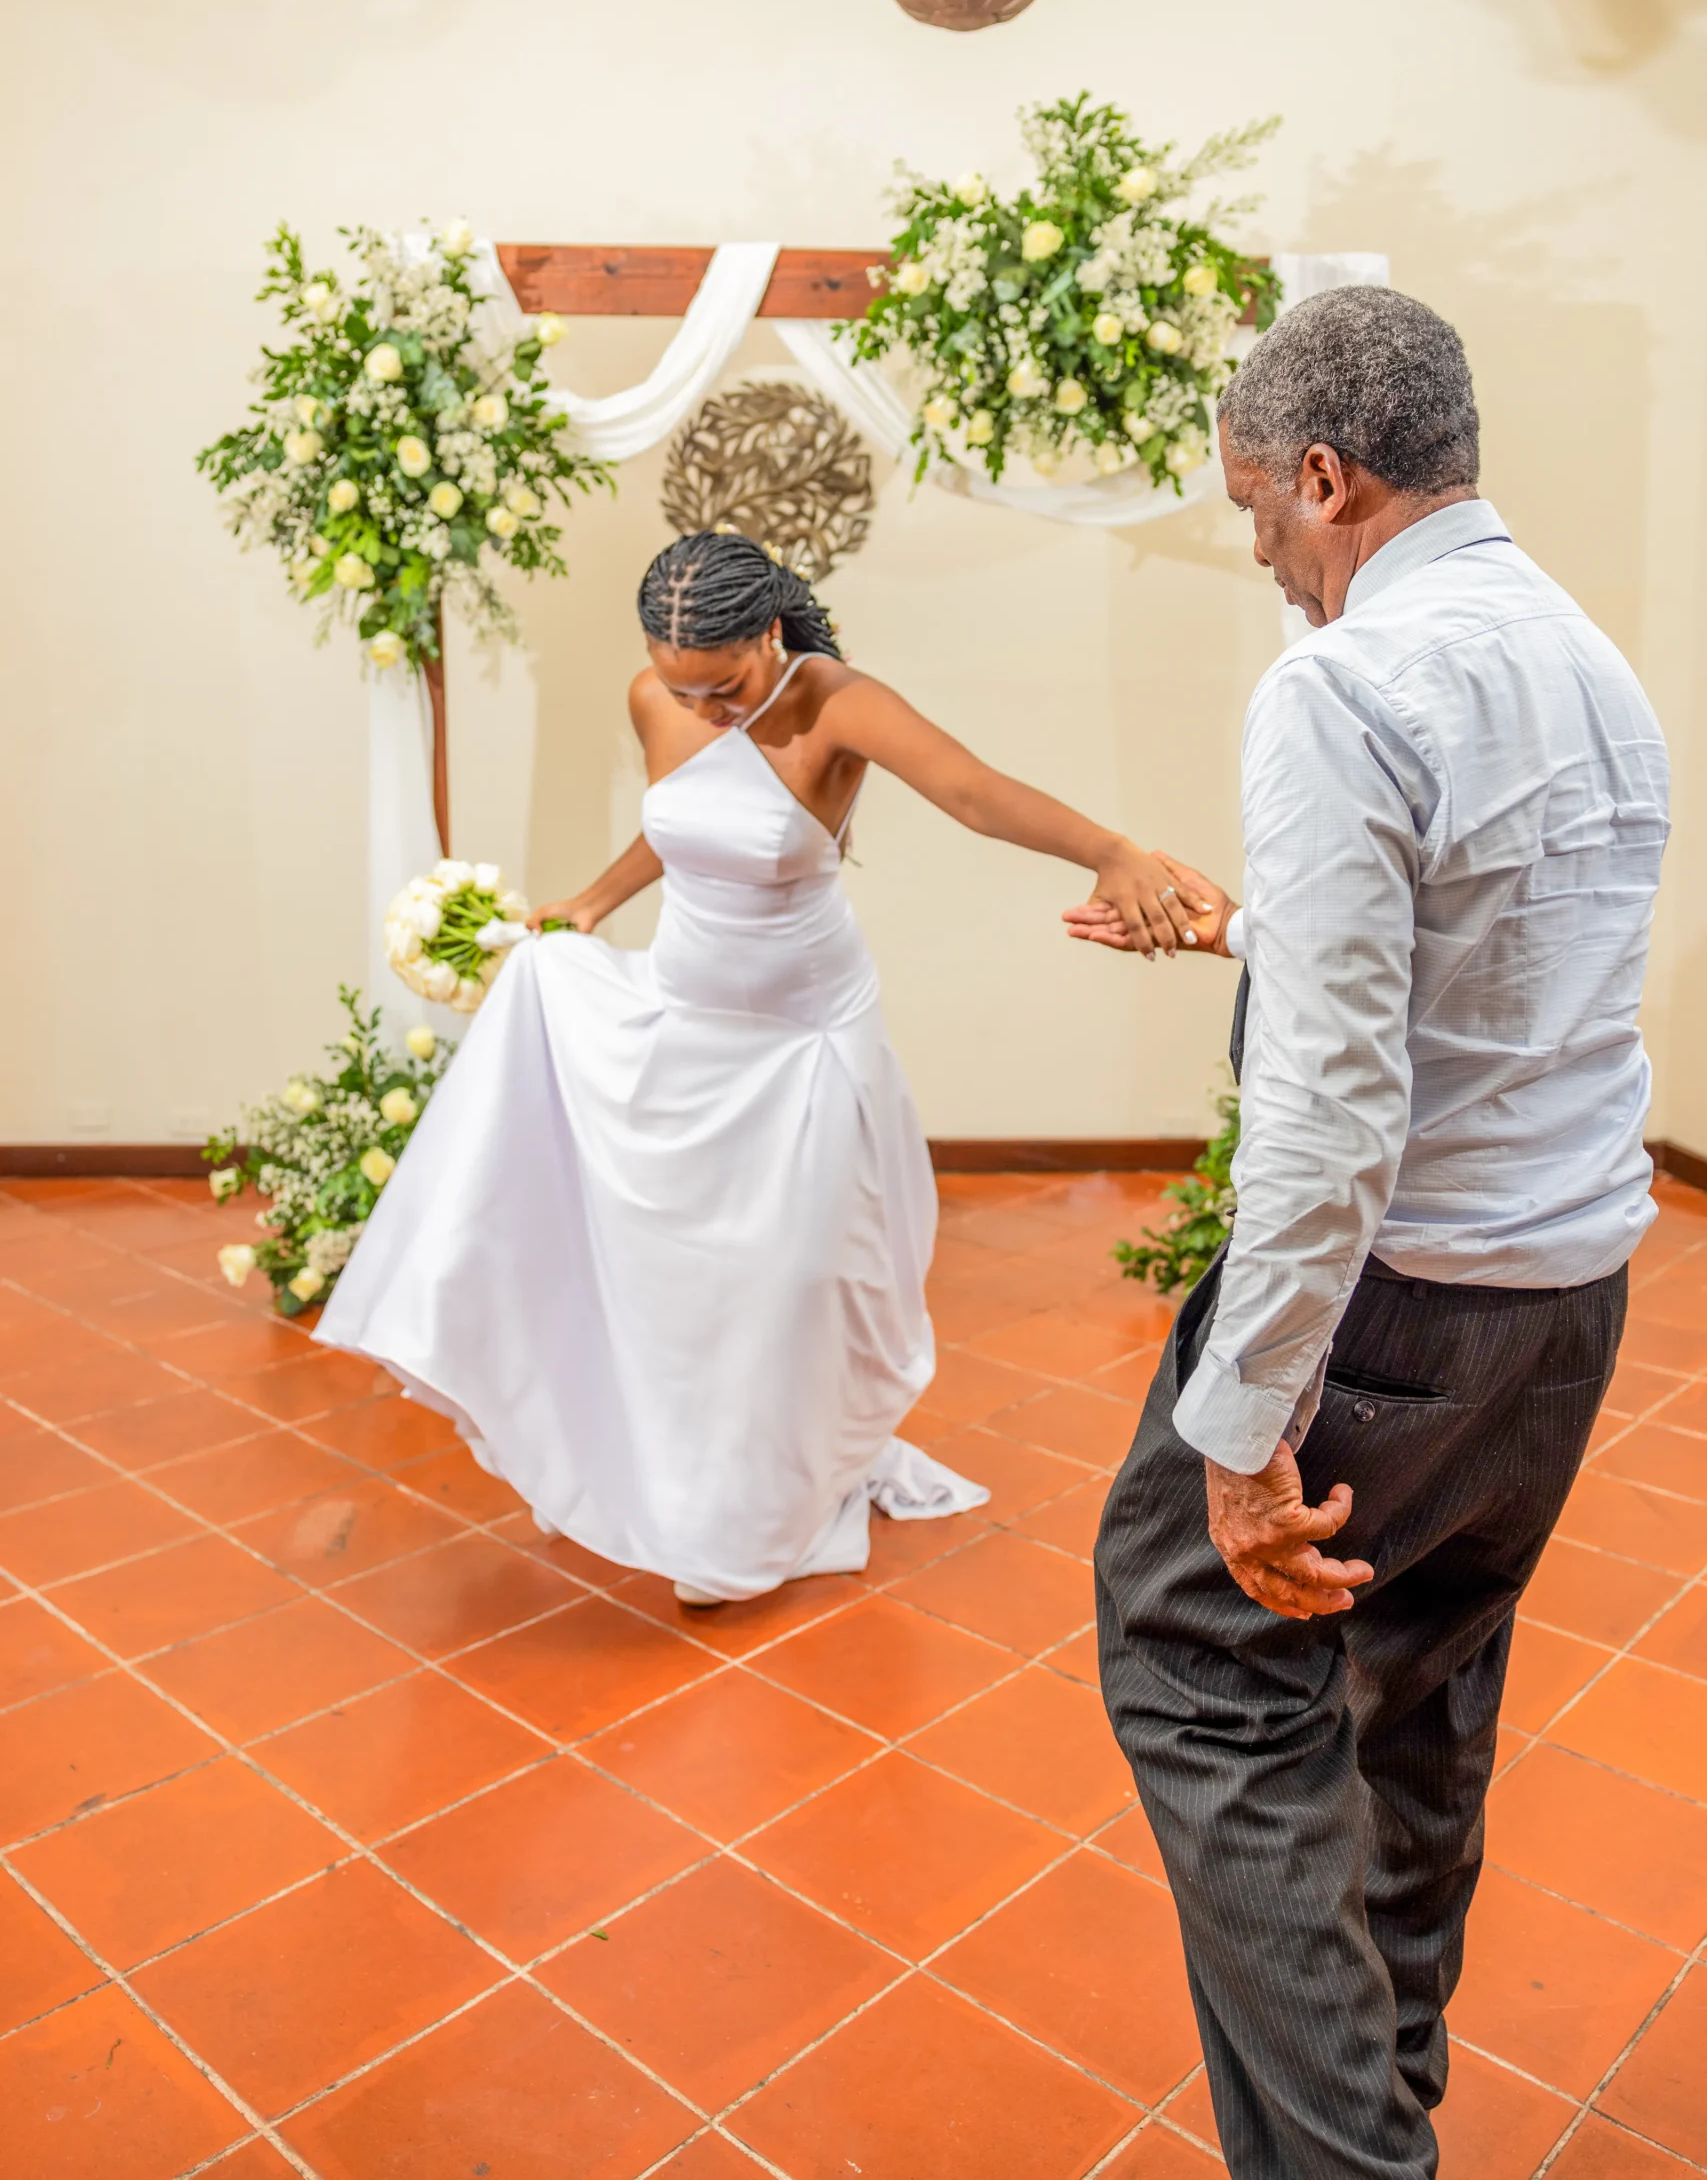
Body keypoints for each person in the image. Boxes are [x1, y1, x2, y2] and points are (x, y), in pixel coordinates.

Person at [1073, 287, 1669, 2180]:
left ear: (1322, 476)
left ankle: (1348, 2160)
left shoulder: (1341, 686)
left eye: (1259, 520)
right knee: (1410, 1697)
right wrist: (1249, 932)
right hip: (1565, 1302)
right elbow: (1496, 974)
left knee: (1190, 1655)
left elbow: (1333, 1120)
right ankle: (1388, 2088)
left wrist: (1239, 1434)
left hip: (1399, 1316)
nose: (1268, 564)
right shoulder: (1587, 658)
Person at [319, 527, 1210, 1606]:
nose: (705, 712)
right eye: (680, 687)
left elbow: (974, 793)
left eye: (725, 686)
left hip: (803, 1036)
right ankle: (680, 1479)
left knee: (795, 1278)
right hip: (685, 1017)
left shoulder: (836, 702)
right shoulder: (664, 702)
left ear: (771, 631)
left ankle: (786, 1481)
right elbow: (686, 825)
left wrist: (1114, 852)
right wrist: (593, 904)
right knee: (688, 1269)